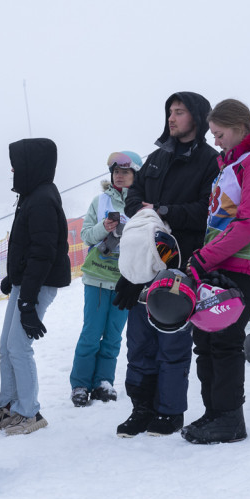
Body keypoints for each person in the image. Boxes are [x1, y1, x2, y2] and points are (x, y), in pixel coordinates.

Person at [115, 91, 220, 438]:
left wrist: (162, 211)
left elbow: (207, 210)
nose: (172, 119)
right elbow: (134, 195)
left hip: (182, 265)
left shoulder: (209, 160)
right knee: (139, 342)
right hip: (142, 265)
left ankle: (170, 411)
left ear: (198, 117)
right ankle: (141, 407)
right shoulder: (157, 158)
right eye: (170, 112)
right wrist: (139, 208)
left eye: (179, 112)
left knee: (171, 342)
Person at [181, 100, 250, 444]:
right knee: (205, 338)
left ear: (239, 127)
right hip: (222, 261)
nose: (216, 140)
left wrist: (202, 259)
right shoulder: (234, 162)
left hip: (246, 262)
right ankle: (214, 412)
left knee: (224, 339)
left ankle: (229, 417)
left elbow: (249, 222)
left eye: (220, 133)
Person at [0, 138, 71, 436]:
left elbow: (43, 253)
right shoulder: (31, 195)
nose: (12, 169)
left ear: (31, 165)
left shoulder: (43, 200)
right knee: (4, 347)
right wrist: (14, 277)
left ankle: (29, 411)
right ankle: (9, 405)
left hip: (38, 285)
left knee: (19, 347)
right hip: (26, 283)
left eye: (17, 163)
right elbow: (26, 246)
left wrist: (27, 302)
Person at [69, 151, 142, 407]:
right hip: (98, 277)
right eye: (116, 172)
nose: (120, 177)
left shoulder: (142, 205)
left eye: (125, 172)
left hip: (126, 280)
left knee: (113, 335)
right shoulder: (100, 202)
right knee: (91, 333)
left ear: (136, 175)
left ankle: (104, 382)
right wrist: (105, 228)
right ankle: (80, 384)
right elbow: (86, 236)